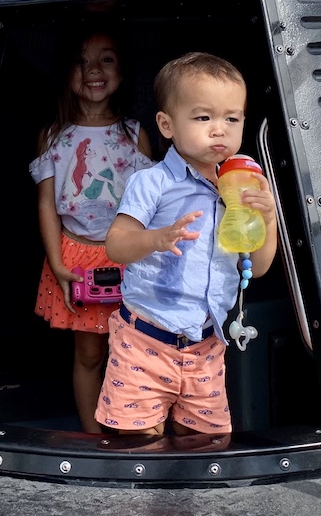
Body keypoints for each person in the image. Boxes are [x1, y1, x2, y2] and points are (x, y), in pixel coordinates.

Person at [98, 52, 278, 435]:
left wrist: (267, 218)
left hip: (206, 345)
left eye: (232, 118)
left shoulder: (241, 187)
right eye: (203, 117)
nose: (220, 130)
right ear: (166, 124)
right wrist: (156, 239)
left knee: (206, 441)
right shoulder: (152, 183)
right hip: (144, 343)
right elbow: (116, 245)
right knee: (137, 442)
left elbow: (258, 267)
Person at [28, 29, 154, 433]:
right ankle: (94, 436)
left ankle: (135, 427)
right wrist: (57, 261)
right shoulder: (53, 136)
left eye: (106, 59)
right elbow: (47, 202)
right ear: (67, 72)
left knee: (135, 349)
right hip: (76, 256)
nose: (93, 70)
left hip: (128, 257)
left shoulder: (135, 135)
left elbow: (151, 206)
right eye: (81, 61)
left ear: (123, 71)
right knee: (88, 355)